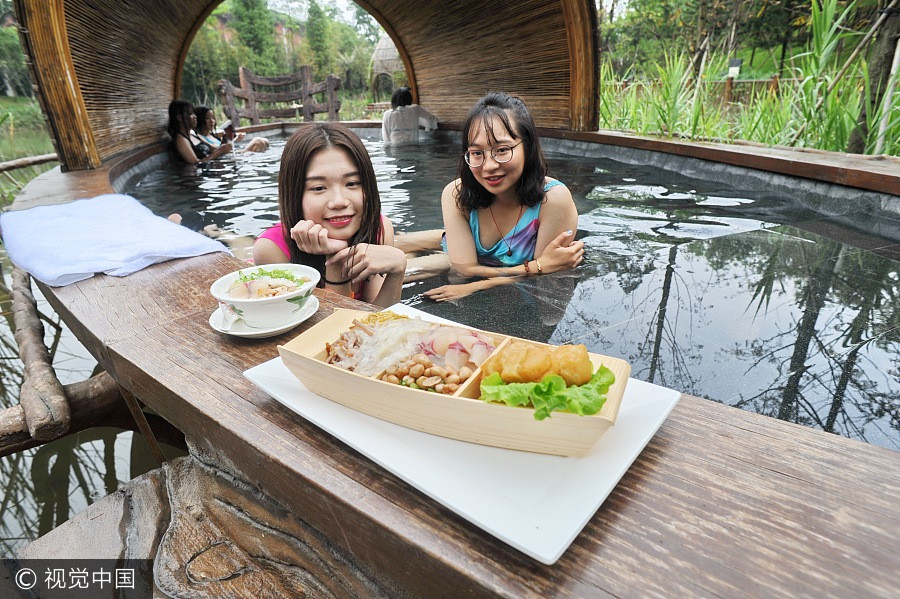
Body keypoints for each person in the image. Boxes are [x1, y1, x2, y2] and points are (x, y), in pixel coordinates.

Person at [423, 92, 584, 302]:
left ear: (528, 146)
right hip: (455, 249)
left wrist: (480, 284)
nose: (489, 166)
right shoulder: (456, 194)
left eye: (502, 150)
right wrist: (538, 266)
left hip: (508, 286)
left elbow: (548, 285)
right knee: (397, 256)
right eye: (477, 153)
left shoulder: (553, 199)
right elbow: (465, 269)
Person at [253, 123, 407, 308]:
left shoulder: (380, 229)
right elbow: (333, 330)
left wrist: (398, 270)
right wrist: (335, 260)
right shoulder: (273, 249)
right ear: (294, 195)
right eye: (318, 188)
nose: (339, 201)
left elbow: (378, 316)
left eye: (352, 183)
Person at [167, 100, 232, 163]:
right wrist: (219, 151)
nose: (195, 117)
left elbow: (212, 150)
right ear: (179, 117)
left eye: (194, 113)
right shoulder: (180, 140)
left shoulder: (192, 135)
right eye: (190, 114)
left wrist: (224, 144)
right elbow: (195, 163)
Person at [194, 105, 269, 153]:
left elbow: (226, 147)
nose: (212, 121)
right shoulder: (200, 137)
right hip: (229, 158)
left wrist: (234, 139)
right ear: (200, 119)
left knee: (265, 141)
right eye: (207, 118)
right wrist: (228, 140)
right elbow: (218, 151)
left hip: (234, 154)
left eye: (213, 118)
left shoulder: (213, 135)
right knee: (258, 141)